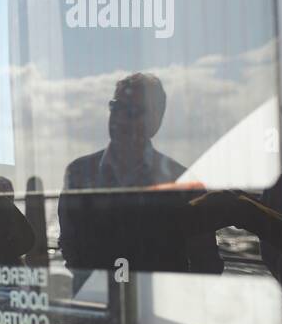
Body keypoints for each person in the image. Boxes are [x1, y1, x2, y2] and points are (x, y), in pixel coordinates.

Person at [59, 72, 223, 293]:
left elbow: (206, 264)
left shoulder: (184, 184)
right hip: (96, 309)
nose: (120, 118)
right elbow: (70, 248)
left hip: (162, 315)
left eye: (133, 111)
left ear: (156, 121)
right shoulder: (78, 173)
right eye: (116, 107)